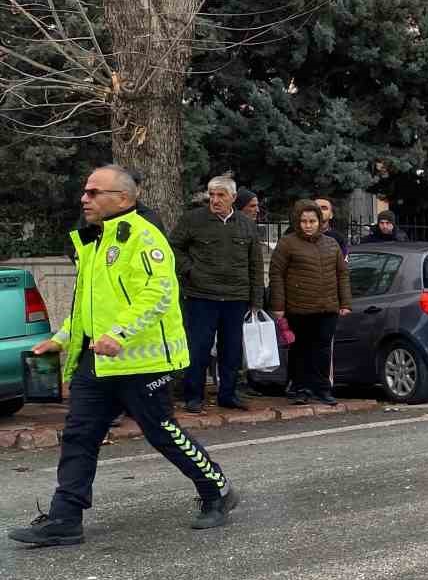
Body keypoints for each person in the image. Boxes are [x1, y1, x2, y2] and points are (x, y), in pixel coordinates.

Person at [8, 165, 240, 547]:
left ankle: (217, 489)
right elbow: (89, 307)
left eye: (94, 192)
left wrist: (119, 334)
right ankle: (65, 518)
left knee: (161, 431)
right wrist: (62, 339)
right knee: (80, 434)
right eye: (85, 191)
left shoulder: (145, 238)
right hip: (97, 361)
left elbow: (160, 293)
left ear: (123, 199)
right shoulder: (93, 242)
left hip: (144, 362)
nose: (85, 198)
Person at [169, 176, 262, 413]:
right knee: (199, 348)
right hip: (201, 296)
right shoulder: (193, 220)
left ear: (232, 198)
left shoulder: (246, 224)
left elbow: (255, 263)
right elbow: (173, 247)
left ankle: (228, 394)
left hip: (235, 297)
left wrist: (256, 300)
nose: (215, 200)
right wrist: (190, 270)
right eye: (212, 195)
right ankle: (194, 396)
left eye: (221, 195)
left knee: (231, 350)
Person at [269, 199, 351, 406]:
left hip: (327, 307)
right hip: (299, 308)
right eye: (304, 221)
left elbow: (342, 274)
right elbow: (276, 274)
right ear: (297, 221)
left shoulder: (331, 244)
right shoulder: (287, 243)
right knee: (300, 349)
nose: (308, 225)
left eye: (312, 221)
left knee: (323, 349)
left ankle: (322, 389)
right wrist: (278, 306)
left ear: (319, 221)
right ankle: (300, 388)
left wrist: (345, 303)